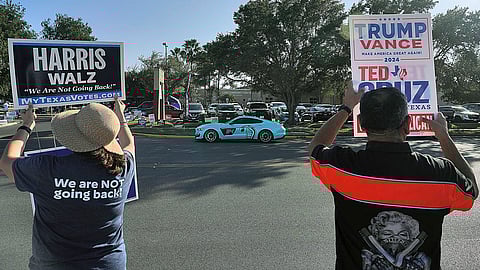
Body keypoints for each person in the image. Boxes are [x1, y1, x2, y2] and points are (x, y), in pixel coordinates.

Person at [308, 83, 478, 270]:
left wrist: (346, 108)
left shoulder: (342, 167)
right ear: (407, 125)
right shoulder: (440, 175)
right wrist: (444, 136)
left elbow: (316, 147)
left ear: (361, 125)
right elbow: (471, 190)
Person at [0, 96, 135, 270]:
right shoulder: (123, 168)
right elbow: (129, 144)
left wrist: (26, 126)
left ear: (75, 138)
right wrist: (120, 117)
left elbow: (6, 162)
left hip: (54, 264)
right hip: (110, 264)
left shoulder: (47, 169)